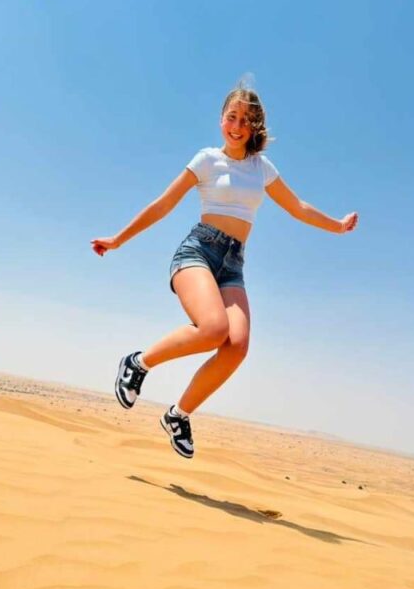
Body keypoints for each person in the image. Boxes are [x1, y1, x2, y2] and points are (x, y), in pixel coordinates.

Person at [91, 82, 358, 459]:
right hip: (198, 251)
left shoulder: (261, 168)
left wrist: (338, 225)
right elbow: (163, 204)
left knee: (236, 347)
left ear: (254, 128)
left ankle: (178, 415)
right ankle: (138, 363)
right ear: (221, 120)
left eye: (245, 121)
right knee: (214, 329)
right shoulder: (205, 160)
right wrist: (119, 239)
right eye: (231, 117)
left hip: (233, 264)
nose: (236, 126)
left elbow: (297, 206)